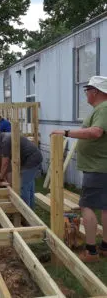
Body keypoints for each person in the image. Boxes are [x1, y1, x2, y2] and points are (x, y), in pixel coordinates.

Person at [51, 75, 107, 262]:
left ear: (96, 91)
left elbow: (95, 132)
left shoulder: (103, 108)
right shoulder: (101, 109)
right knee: (105, 208)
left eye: (87, 91)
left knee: (87, 206)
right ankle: (105, 247)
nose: (86, 95)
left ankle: (91, 251)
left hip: (97, 168)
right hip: (100, 166)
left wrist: (66, 132)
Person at [0, 126, 42, 208]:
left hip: (31, 160)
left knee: (23, 187)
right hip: (32, 158)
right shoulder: (2, 139)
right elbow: (8, 163)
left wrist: (0, 179)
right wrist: (4, 178)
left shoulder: (5, 141)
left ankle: (25, 214)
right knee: (29, 185)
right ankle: (31, 209)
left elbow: (5, 163)